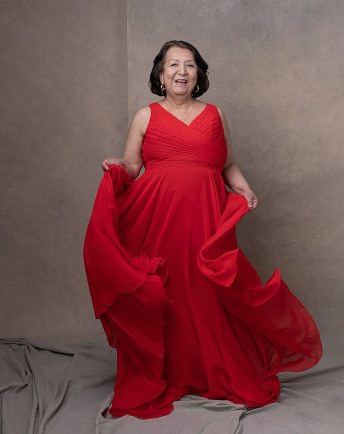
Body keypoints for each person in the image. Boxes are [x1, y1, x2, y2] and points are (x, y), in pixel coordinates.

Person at [83, 40, 322, 419]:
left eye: (190, 65)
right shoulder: (145, 116)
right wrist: (117, 166)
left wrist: (243, 187)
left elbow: (227, 162)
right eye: (173, 65)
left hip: (207, 218)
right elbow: (132, 166)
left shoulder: (215, 114)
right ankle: (169, 373)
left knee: (208, 289)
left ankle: (211, 369)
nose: (182, 71)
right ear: (161, 75)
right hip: (159, 218)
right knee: (170, 290)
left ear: (199, 75)